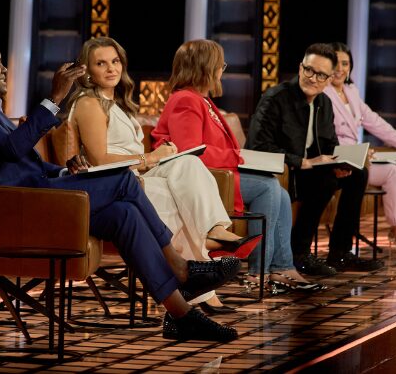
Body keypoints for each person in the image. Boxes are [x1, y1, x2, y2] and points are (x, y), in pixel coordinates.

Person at [0, 38, 240, 341]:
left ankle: (181, 315)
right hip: (21, 209)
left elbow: (17, 159)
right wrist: (55, 97)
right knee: (124, 180)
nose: (5, 69)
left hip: (35, 195)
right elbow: (12, 148)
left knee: (123, 213)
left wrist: (62, 170)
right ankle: (180, 268)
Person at [65, 37, 262, 313]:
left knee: (189, 163)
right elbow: (100, 159)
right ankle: (201, 286)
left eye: (115, 61)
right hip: (115, 184)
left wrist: (161, 157)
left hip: (137, 174)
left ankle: (214, 230)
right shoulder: (89, 103)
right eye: (101, 63)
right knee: (176, 202)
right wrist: (152, 157)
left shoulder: (116, 102)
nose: (111, 69)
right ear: (87, 69)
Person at [152, 39, 322, 293]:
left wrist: (239, 157)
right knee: (268, 187)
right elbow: (190, 152)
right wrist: (237, 156)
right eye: (220, 65)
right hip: (203, 181)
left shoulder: (202, 100)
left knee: (281, 194)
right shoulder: (185, 100)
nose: (223, 70)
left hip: (218, 174)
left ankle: (281, 267)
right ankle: (259, 273)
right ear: (206, 67)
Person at [246, 42, 385, 274]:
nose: (312, 78)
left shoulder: (324, 103)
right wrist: (301, 162)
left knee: (358, 174)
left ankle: (340, 252)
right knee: (324, 182)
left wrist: (339, 163)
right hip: (281, 169)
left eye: (321, 74)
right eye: (309, 70)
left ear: (329, 79)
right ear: (301, 68)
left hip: (309, 168)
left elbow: (328, 143)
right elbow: (258, 146)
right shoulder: (275, 98)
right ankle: (299, 252)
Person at [325, 42, 396, 257]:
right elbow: (326, 137)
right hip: (339, 159)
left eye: (345, 63)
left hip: (359, 158)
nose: (340, 69)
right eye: (335, 63)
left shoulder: (351, 92)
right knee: (391, 171)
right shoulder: (323, 93)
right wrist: (359, 153)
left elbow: (375, 122)